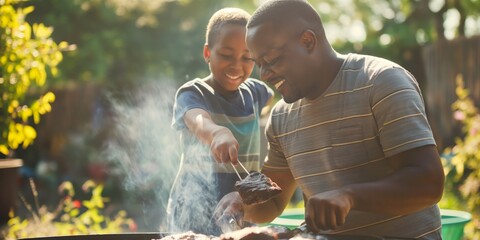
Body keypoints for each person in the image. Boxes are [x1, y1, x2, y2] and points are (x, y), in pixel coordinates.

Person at [213, 0, 445, 239]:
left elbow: (428, 184)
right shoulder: (282, 117)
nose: (264, 75)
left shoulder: (382, 82)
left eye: (272, 60)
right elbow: (272, 203)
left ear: (308, 41)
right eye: (259, 64)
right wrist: (242, 202)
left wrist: (349, 196)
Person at [167, 7, 274, 235]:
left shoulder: (257, 93)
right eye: (226, 55)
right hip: (194, 211)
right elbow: (197, 119)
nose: (237, 65)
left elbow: (275, 99)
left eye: (247, 57)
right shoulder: (193, 92)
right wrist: (216, 133)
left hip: (241, 212)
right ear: (207, 53)